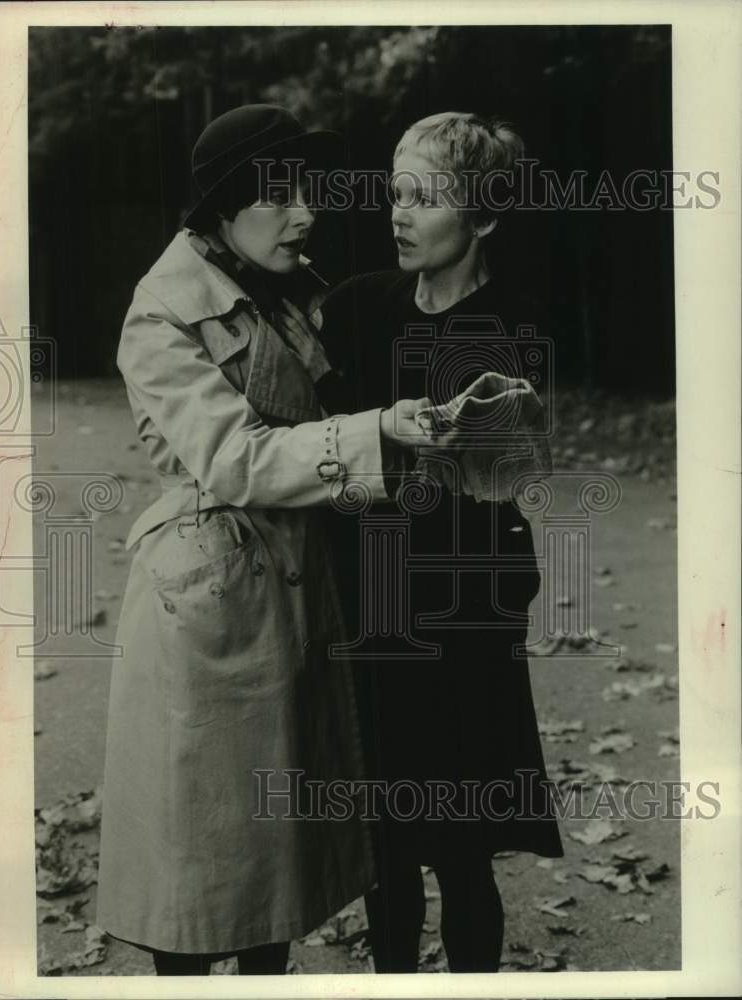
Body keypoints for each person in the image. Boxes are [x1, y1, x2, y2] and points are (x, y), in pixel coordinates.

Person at [95, 104, 437, 977]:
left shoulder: (284, 289)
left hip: (295, 584)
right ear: (222, 205)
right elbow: (233, 460)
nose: (304, 212)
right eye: (278, 195)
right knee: (201, 863)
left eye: (306, 191)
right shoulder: (163, 311)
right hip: (208, 605)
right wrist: (380, 433)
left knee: (270, 868)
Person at [278, 111, 563, 973]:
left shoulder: (513, 325)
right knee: (386, 851)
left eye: (425, 197)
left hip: (466, 613)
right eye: (396, 194)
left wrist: (481, 442)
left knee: (463, 847)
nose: (399, 214)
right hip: (369, 604)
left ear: (481, 217)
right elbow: (314, 439)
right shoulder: (358, 306)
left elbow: (516, 467)